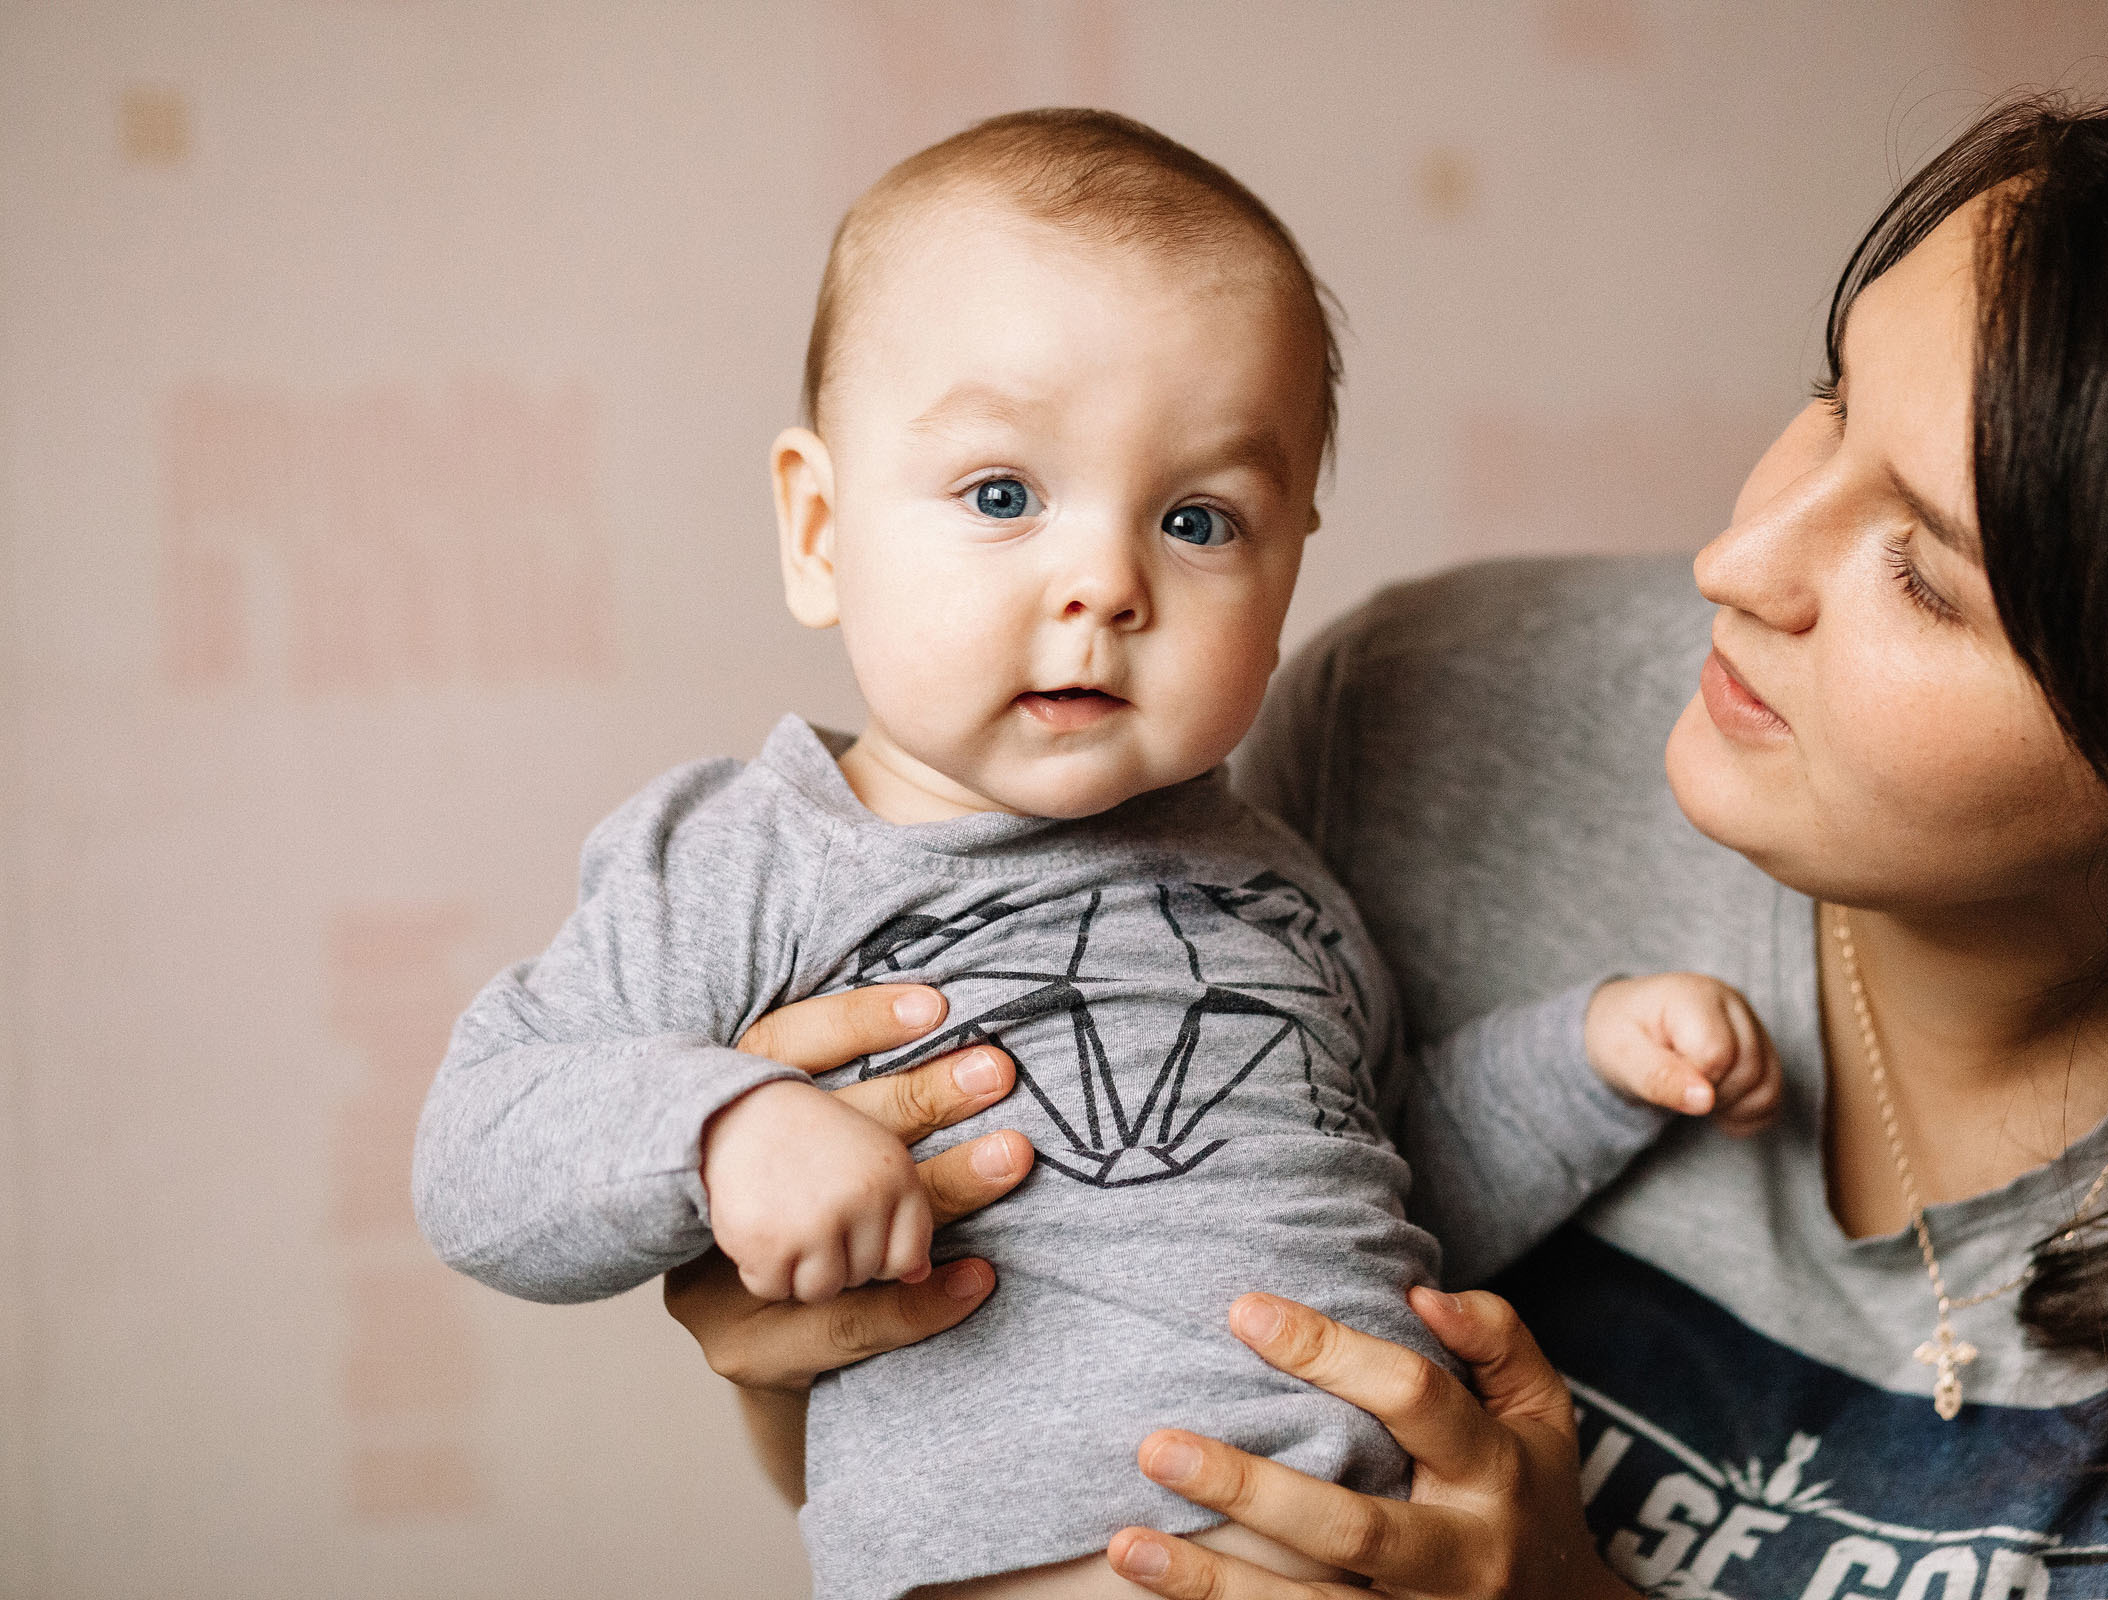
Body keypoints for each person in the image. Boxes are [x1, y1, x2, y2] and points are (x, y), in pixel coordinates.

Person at [669, 95, 2108, 1600]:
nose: (1743, 556)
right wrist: (810, 1333)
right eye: (1829, 398)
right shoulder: (1428, 719)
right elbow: (1028, 1433)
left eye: (1927, 573)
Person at [411, 109, 1776, 1599]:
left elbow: (1382, 1172)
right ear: (816, 528)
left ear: (1294, 557)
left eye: (1199, 520)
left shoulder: (1277, 883)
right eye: (1004, 496)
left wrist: (1580, 1064)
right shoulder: (757, 856)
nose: (1106, 584)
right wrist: (729, 1128)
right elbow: (480, 1144)